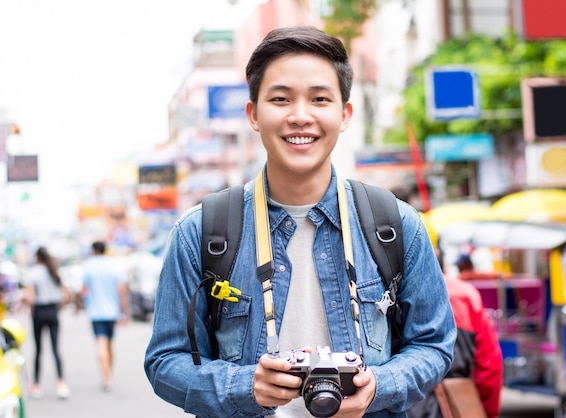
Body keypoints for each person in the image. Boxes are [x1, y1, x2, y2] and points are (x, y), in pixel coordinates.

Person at [144, 26, 456, 418]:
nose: (300, 116)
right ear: (254, 114)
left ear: (344, 115)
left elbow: (434, 344)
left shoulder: (396, 225)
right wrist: (246, 386)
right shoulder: (201, 232)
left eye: (320, 99)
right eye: (280, 99)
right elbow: (165, 361)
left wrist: (379, 386)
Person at [407, 220, 503, 418]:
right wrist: (482, 409)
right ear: (437, 253)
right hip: (458, 404)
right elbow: (489, 367)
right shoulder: (464, 296)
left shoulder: (382, 298)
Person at [22, 246, 72, 399]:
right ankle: (61, 383)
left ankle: (36, 385)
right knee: (55, 349)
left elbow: (30, 298)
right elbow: (67, 295)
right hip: (52, 311)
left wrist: (24, 300)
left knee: (38, 350)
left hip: (39, 312)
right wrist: (58, 307)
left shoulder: (33, 272)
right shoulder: (53, 271)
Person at [80, 241, 129, 391]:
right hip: (112, 312)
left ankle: (106, 377)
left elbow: (83, 290)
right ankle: (109, 374)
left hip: (95, 312)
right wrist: (125, 311)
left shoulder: (88, 266)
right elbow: (122, 291)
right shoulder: (114, 266)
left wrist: (80, 304)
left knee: (101, 342)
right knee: (109, 343)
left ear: (94, 250)